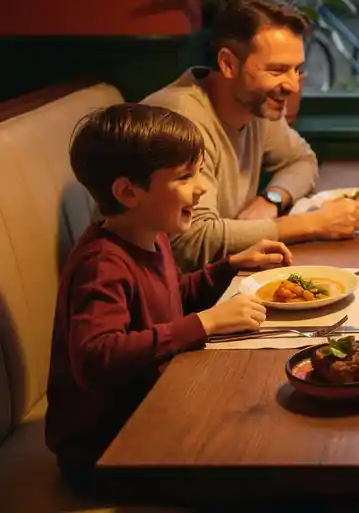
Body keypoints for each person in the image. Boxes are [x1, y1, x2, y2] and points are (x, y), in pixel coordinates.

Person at [46, 103, 293, 495]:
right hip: (107, 448)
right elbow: (96, 356)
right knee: (267, 472)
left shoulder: (151, 234)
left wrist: (229, 266)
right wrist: (205, 323)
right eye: (185, 176)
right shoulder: (101, 264)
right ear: (129, 191)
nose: (201, 188)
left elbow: (170, 296)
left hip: (154, 414)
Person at [144, 0, 359, 269]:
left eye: (296, 70)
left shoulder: (256, 105)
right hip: (173, 298)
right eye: (277, 70)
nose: (293, 85)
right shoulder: (179, 119)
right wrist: (312, 224)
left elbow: (302, 160)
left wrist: (271, 199)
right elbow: (192, 241)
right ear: (228, 64)